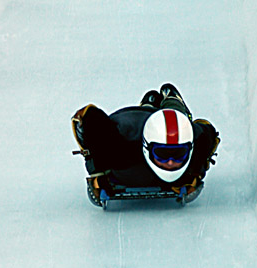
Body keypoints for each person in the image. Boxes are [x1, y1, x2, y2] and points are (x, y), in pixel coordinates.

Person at [72, 84, 220, 203]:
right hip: (130, 122)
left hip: (156, 125)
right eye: (162, 154)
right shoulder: (118, 150)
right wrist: (96, 168)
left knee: (179, 120)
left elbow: (209, 133)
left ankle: (171, 100)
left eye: (178, 154)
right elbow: (85, 119)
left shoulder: (198, 139)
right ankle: (150, 105)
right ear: (147, 148)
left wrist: (197, 171)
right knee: (158, 116)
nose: (170, 162)